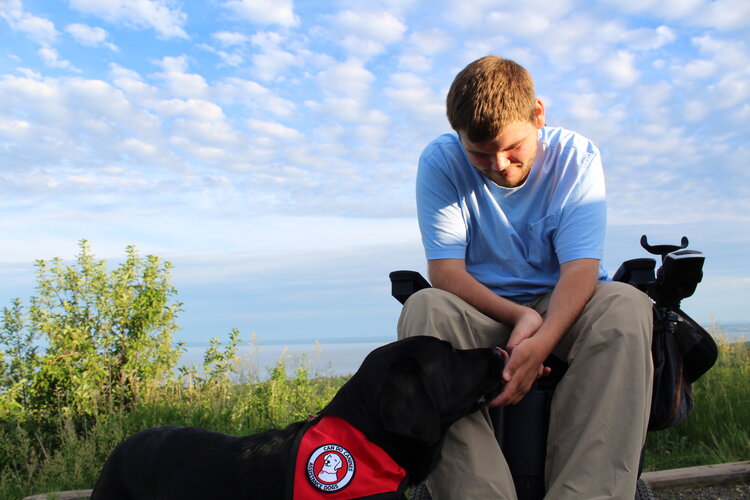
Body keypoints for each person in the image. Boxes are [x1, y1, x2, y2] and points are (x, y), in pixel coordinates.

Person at [397, 56, 654, 499]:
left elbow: (581, 268)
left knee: (628, 306)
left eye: (511, 147)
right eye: (478, 152)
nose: (498, 164)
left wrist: (543, 339)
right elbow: (445, 271)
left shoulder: (577, 158)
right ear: (457, 135)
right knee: (423, 308)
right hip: (483, 308)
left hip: (565, 303)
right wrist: (520, 318)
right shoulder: (440, 162)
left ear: (538, 115)